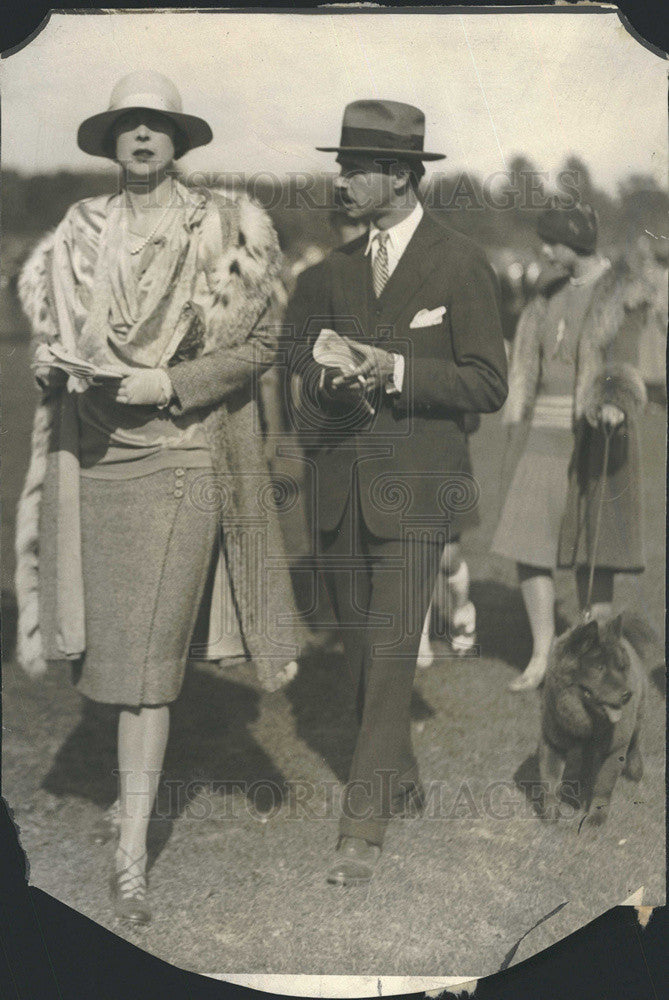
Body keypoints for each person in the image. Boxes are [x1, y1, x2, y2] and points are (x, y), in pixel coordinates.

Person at [15, 71, 299, 925]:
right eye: (127, 125)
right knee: (109, 652)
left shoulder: (228, 227)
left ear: (179, 141)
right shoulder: (79, 227)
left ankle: (132, 851)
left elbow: (259, 344)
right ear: (110, 141)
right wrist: (49, 364)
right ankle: (133, 806)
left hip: (181, 458)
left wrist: (171, 383)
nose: (142, 137)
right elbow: (57, 334)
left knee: (147, 672)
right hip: (96, 462)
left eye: (157, 125)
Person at [286, 100, 507, 885]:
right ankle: (400, 773)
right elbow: (297, 375)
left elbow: (487, 383)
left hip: (416, 492)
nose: (340, 178)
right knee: (355, 656)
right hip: (339, 489)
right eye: (341, 165)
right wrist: (330, 377)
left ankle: (363, 824)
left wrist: (396, 371)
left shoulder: (459, 262)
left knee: (386, 654)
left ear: (402, 175)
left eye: (354, 166)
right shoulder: (329, 273)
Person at [492, 203, 648, 692]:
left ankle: (588, 660)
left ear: (571, 243)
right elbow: (533, 360)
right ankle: (541, 655)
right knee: (526, 544)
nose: (542, 249)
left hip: (595, 434)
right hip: (543, 432)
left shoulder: (622, 291)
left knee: (592, 549)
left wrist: (613, 403)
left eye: (549, 241)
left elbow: (626, 362)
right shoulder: (547, 292)